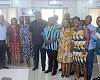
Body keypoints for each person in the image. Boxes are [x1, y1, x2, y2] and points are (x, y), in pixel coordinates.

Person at [85, 15, 97, 80]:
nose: (87, 20)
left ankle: (89, 75)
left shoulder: (93, 28)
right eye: (86, 19)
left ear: (91, 20)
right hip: (84, 48)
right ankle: (85, 73)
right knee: (84, 62)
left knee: (89, 62)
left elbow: (96, 38)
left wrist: (90, 34)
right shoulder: (83, 27)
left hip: (90, 48)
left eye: (88, 19)